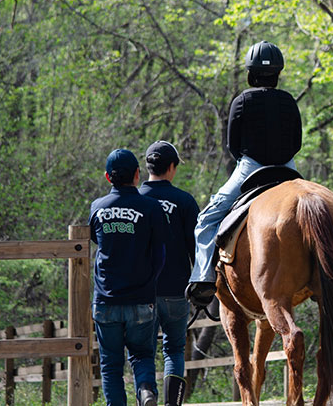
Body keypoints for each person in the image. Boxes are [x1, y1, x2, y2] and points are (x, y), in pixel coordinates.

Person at [185, 40, 302, 308]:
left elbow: (233, 145)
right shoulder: (288, 101)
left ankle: (202, 279)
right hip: (287, 168)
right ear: (278, 73)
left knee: (207, 218)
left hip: (251, 168)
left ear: (250, 72)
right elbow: (296, 142)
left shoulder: (242, 100)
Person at [88, 148, 168, 406]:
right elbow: (160, 254)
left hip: (105, 299)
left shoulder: (97, 207)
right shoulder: (151, 207)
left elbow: (95, 241)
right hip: (141, 299)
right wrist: (150, 283)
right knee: (142, 355)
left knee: (111, 365)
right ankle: (145, 391)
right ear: (137, 174)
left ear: (107, 177)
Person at [138, 140, 199, 406]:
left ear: (146, 167)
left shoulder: (135, 200)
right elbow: (198, 248)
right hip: (177, 290)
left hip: (142, 292)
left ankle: (147, 394)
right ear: (171, 167)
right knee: (174, 349)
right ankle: (172, 403)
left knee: (144, 351)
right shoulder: (185, 201)